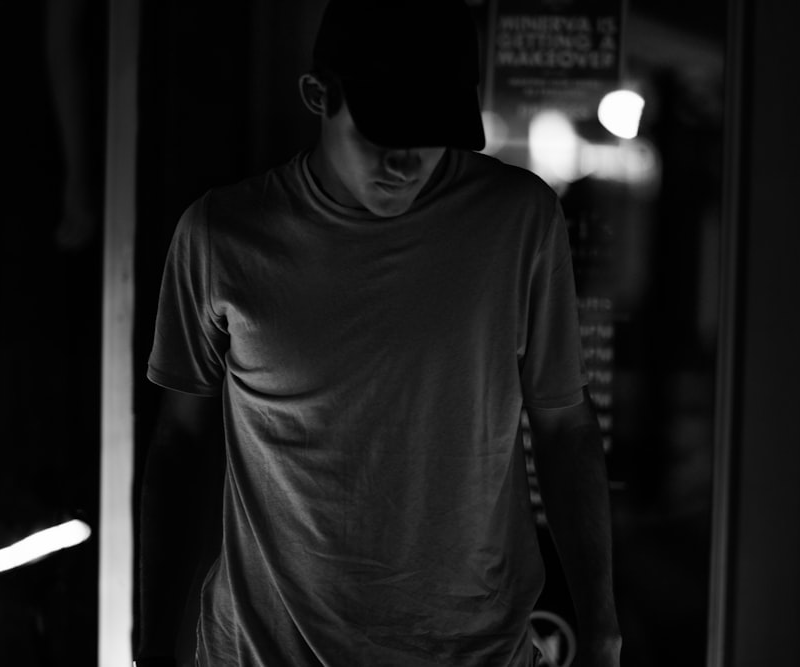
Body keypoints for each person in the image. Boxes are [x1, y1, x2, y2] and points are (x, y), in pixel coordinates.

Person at [135, 0, 621, 665]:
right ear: (318, 95)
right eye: (385, 136)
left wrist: (601, 629)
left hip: (474, 650)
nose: (409, 162)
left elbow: (565, 425)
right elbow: (179, 447)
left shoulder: (518, 223)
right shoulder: (222, 237)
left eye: (432, 136)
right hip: (265, 649)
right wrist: (153, 644)